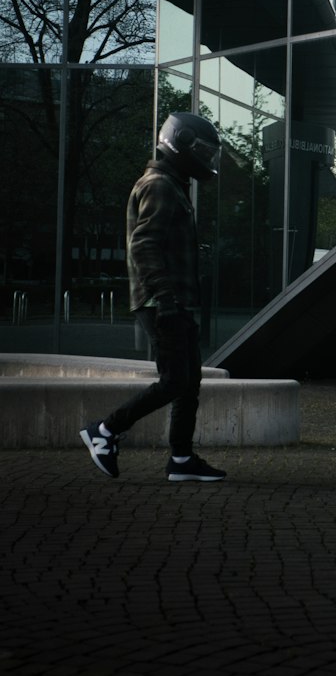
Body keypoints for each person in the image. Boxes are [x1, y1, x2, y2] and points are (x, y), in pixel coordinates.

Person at [80, 111, 226, 483]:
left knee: (188, 383)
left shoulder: (173, 184)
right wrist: (165, 298)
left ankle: (180, 460)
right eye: (203, 150)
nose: (207, 159)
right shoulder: (159, 184)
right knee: (175, 380)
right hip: (162, 302)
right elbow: (143, 245)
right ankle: (106, 431)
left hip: (171, 300)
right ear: (180, 144)